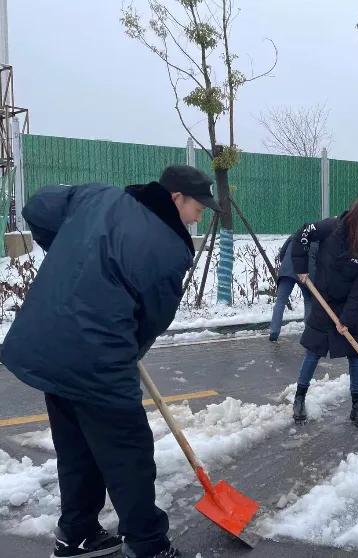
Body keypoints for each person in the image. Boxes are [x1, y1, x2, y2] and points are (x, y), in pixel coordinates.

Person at [1, 165, 221, 558]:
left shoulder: (96, 196)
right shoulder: (169, 250)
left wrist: (73, 250)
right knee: (129, 458)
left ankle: (77, 534)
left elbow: (38, 206)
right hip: (96, 361)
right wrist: (124, 352)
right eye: (197, 207)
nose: (198, 216)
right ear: (175, 199)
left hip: (48, 348)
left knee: (77, 450)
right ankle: (149, 547)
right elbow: (150, 322)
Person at [290, 198, 358, 429]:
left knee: (356, 355)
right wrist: (301, 267)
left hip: (354, 304)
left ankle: (357, 407)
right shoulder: (332, 228)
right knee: (314, 350)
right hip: (325, 298)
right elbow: (303, 234)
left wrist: (347, 319)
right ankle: (299, 399)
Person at [268, 234, 318, 342]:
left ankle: (274, 332)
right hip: (305, 274)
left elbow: (282, 253)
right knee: (309, 300)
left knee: (280, 302)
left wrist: (286, 264)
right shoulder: (315, 241)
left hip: (287, 271)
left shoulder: (294, 236)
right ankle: (308, 332)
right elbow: (314, 262)